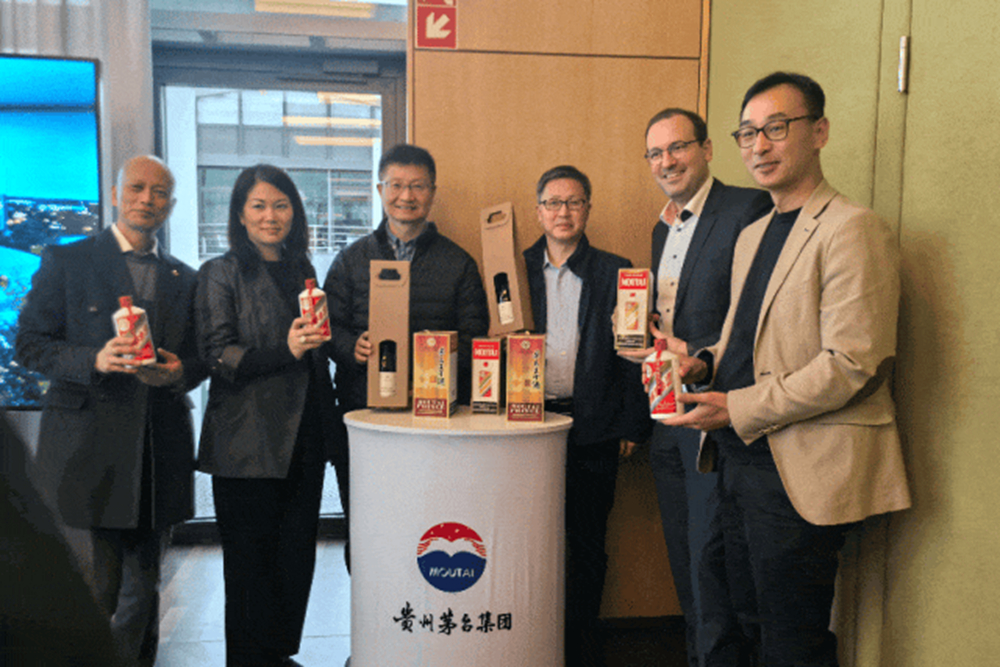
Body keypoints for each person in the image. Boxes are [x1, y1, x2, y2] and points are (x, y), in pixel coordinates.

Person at [660, 72, 911, 666]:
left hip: (799, 465)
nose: (760, 146)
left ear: (818, 132)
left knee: (792, 641)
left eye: (776, 128)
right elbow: (742, 339)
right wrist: (701, 363)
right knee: (743, 624)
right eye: (748, 133)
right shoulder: (753, 234)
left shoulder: (852, 228)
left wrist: (736, 406)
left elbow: (853, 364)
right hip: (735, 458)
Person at [15, 155, 206, 666]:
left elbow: (198, 358)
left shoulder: (184, 278)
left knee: (143, 592)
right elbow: (29, 345)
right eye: (137, 188)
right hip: (87, 451)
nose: (148, 199)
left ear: (172, 204)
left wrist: (179, 373)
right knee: (92, 592)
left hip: (156, 451)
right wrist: (93, 360)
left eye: (160, 192)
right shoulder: (68, 261)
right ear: (117, 194)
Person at [619, 108, 771, 666]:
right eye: (655, 153)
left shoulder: (746, 209)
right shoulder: (662, 227)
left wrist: (695, 352)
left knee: (711, 558)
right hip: (666, 409)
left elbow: (755, 315)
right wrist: (642, 334)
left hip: (715, 408)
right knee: (684, 555)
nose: (667, 162)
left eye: (678, 147)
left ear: (707, 149)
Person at [195, 164, 340, 667]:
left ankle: (278, 654)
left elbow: (317, 348)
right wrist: (287, 350)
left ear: (294, 212)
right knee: (249, 565)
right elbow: (218, 354)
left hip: (305, 436)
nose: (270, 216)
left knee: (295, 557)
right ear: (240, 214)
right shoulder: (221, 272)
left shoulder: (303, 267)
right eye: (258, 205)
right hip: (247, 442)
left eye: (281, 205)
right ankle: (248, 660)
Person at [322, 143, 489, 560]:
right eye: (396, 185)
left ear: (432, 193)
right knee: (367, 529)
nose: (406, 196)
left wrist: (439, 363)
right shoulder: (350, 260)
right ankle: (368, 599)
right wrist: (350, 347)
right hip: (364, 416)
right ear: (380, 190)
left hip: (435, 421)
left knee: (427, 526)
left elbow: (475, 337)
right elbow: (328, 328)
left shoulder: (459, 263)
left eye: (417, 186)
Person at [523, 165, 650, 667]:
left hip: (595, 425)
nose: (563, 212)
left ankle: (580, 648)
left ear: (588, 209)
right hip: (529, 428)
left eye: (574, 202)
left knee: (588, 542)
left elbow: (634, 353)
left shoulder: (617, 271)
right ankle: (534, 640)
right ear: (538, 211)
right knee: (532, 540)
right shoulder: (514, 270)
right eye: (553, 203)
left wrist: (632, 424)